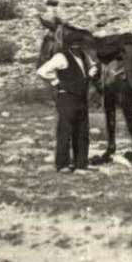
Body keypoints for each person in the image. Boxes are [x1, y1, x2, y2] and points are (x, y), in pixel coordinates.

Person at [36, 40, 94, 172]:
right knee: (65, 130)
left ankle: (81, 164)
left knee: (82, 131)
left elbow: (91, 68)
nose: (76, 44)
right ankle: (62, 164)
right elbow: (43, 71)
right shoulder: (61, 56)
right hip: (67, 97)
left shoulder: (84, 56)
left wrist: (91, 73)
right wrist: (57, 83)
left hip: (81, 97)